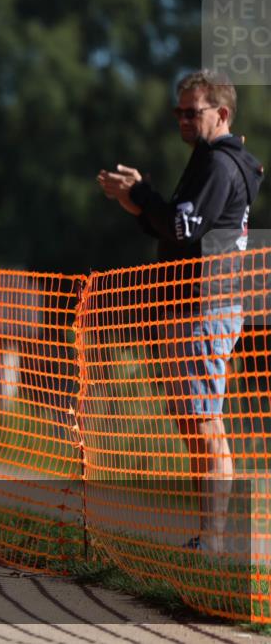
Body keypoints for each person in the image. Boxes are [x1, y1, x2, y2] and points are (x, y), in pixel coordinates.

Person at [97, 69, 264, 553]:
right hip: (188, 305)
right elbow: (174, 225)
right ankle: (209, 533)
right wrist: (137, 201)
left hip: (206, 307)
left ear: (222, 113)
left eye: (193, 112)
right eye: (179, 112)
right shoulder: (206, 160)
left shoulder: (219, 164)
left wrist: (143, 194)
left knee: (205, 420)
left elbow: (182, 225)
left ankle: (215, 537)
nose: (183, 120)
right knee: (193, 419)